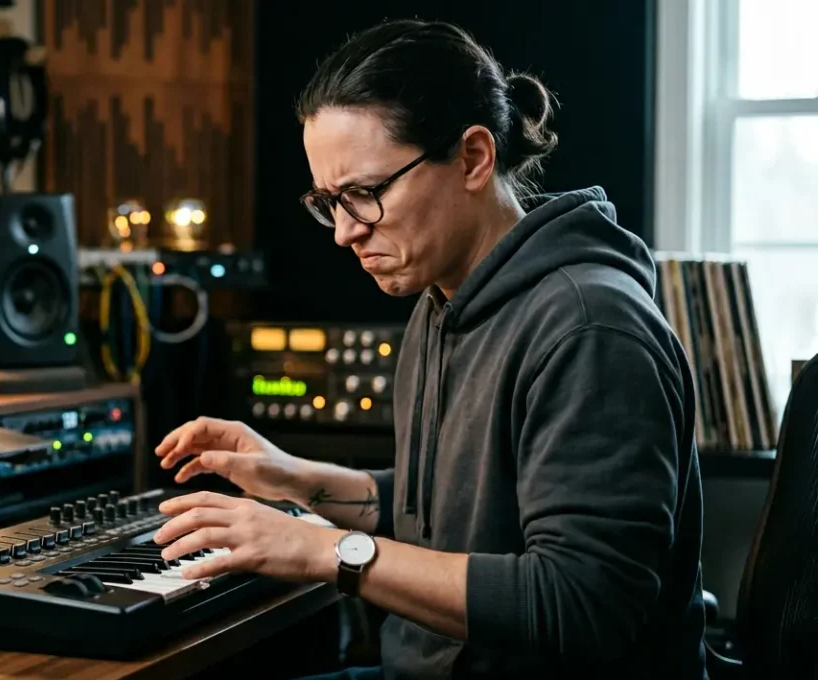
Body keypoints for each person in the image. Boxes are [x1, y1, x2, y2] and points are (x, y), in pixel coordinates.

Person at [150, 18, 706, 680]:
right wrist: (295, 478)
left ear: (473, 157)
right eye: (329, 202)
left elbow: (581, 604)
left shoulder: (589, 327)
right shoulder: (439, 304)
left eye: (364, 194)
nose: (344, 233)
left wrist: (318, 549)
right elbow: (446, 517)